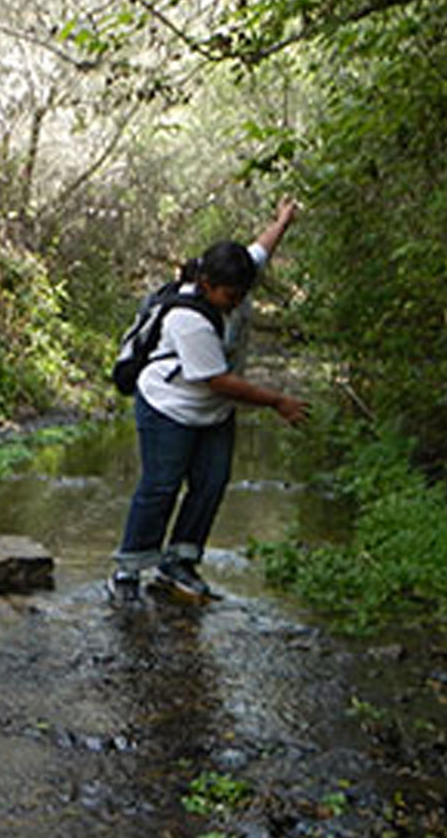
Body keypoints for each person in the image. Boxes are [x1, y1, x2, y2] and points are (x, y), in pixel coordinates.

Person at [108, 199, 310, 604]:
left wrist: (283, 219)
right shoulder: (189, 318)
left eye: (242, 293)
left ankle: (178, 563)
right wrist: (276, 400)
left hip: (212, 412)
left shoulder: (236, 274)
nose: (237, 301)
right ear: (206, 285)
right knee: (160, 486)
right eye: (230, 295)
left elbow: (261, 247)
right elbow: (217, 380)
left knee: (211, 484)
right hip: (169, 405)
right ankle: (127, 571)